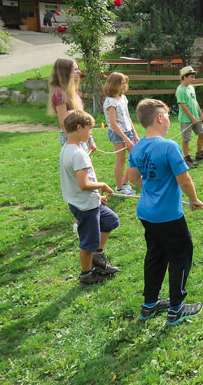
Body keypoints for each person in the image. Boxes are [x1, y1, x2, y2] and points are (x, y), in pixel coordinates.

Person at [128, 98, 203, 326]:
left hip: (146, 213)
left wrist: (152, 186)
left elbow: (133, 179)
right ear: (160, 118)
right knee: (180, 255)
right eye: (168, 116)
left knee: (155, 255)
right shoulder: (169, 147)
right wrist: (194, 200)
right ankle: (176, 308)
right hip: (168, 216)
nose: (169, 120)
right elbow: (185, 179)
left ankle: (149, 304)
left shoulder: (138, 146)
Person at [59, 110, 119, 287]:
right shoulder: (78, 154)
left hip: (87, 201)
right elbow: (84, 184)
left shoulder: (68, 148)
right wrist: (102, 185)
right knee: (88, 242)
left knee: (110, 221)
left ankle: (97, 260)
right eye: (89, 130)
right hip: (84, 205)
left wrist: (97, 197)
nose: (90, 133)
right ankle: (87, 275)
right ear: (79, 127)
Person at [49, 57, 96, 151]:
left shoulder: (73, 92)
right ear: (65, 73)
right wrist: (76, 143)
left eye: (78, 69)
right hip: (71, 138)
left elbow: (83, 118)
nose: (79, 72)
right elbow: (63, 122)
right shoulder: (60, 94)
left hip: (80, 136)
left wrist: (90, 139)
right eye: (75, 69)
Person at [103, 72, 139, 196]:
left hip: (128, 132)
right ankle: (120, 188)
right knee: (121, 160)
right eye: (122, 83)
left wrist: (135, 135)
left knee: (135, 157)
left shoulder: (123, 98)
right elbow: (113, 124)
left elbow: (128, 118)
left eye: (125, 83)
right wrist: (126, 139)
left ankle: (124, 183)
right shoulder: (110, 101)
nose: (125, 85)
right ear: (114, 84)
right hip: (117, 133)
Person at [175, 66, 203, 168]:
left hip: (196, 117)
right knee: (186, 139)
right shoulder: (180, 90)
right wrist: (192, 118)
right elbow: (183, 106)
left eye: (194, 77)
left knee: (202, 133)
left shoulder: (191, 87)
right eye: (191, 77)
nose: (193, 79)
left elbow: (195, 102)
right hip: (186, 119)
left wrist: (201, 115)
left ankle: (199, 153)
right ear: (184, 77)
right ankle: (187, 158)